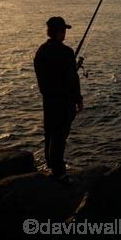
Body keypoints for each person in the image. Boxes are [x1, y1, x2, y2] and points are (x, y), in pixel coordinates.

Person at [34, 16, 83, 182]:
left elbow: (49, 74)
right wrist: (78, 99)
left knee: (50, 133)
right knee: (60, 135)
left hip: (48, 100)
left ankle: (50, 163)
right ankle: (59, 172)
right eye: (63, 31)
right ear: (59, 32)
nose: (65, 34)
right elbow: (71, 79)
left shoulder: (41, 51)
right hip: (64, 102)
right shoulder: (67, 52)